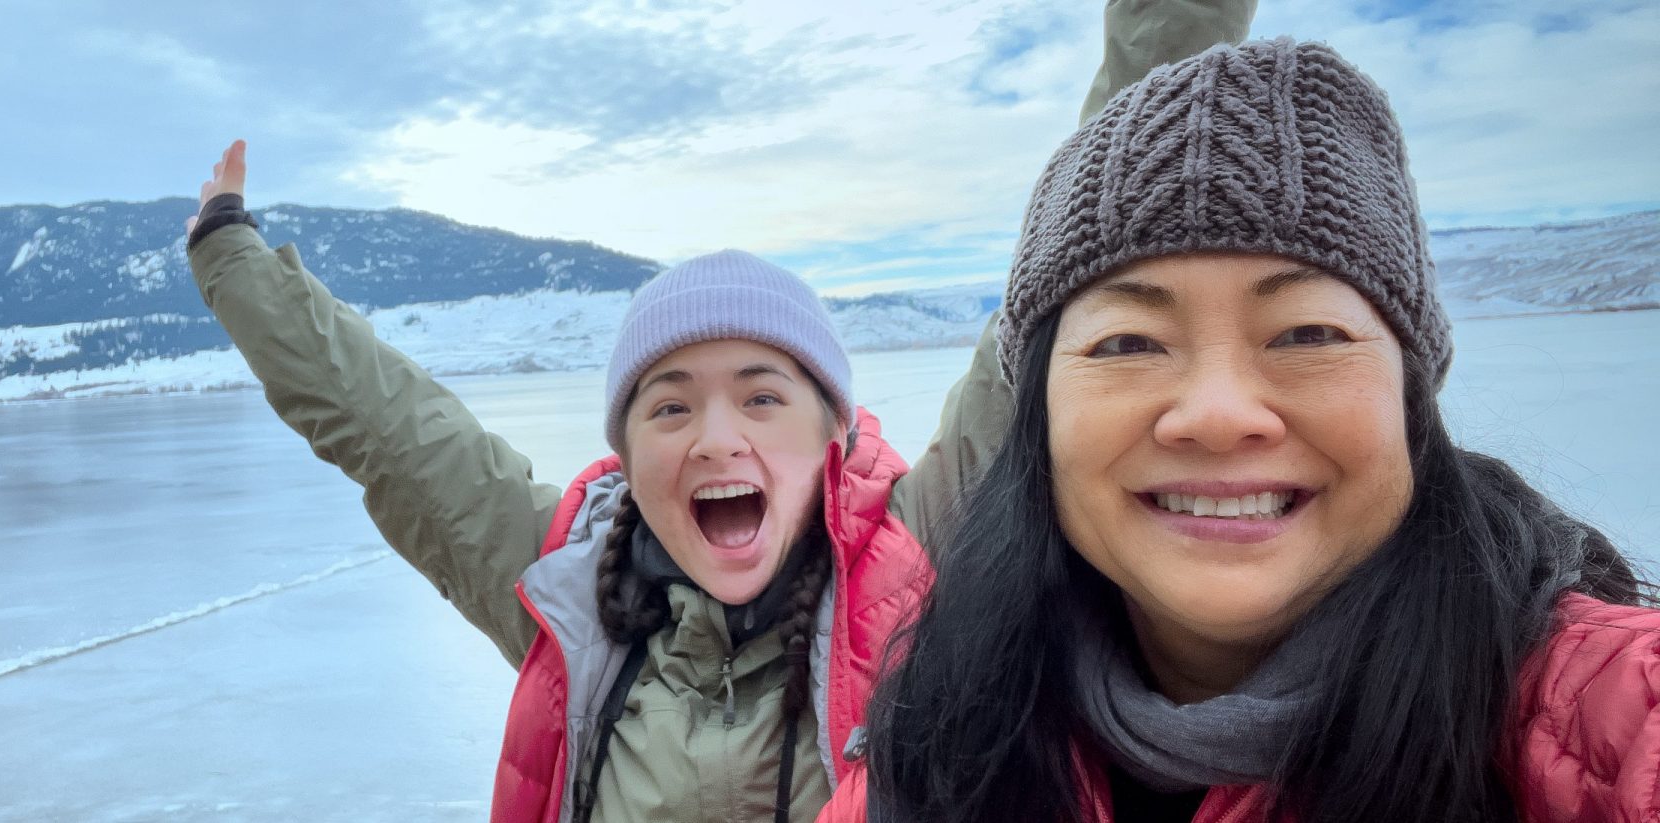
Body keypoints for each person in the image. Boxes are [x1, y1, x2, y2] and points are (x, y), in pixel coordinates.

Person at [181, 5, 1256, 820]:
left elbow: (1061, 277)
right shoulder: (565, 590)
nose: (716, 436)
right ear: (628, 451)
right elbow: (386, 424)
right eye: (669, 404)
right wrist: (231, 251)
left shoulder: (916, 561)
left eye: (762, 394)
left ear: (833, 430)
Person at [836, 37, 1660, 823]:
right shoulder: (929, 743)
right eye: (1128, 342)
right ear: (1039, 414)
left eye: (1306, 334)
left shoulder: (1613, 720)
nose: (1219, 413)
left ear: (1411, 400)